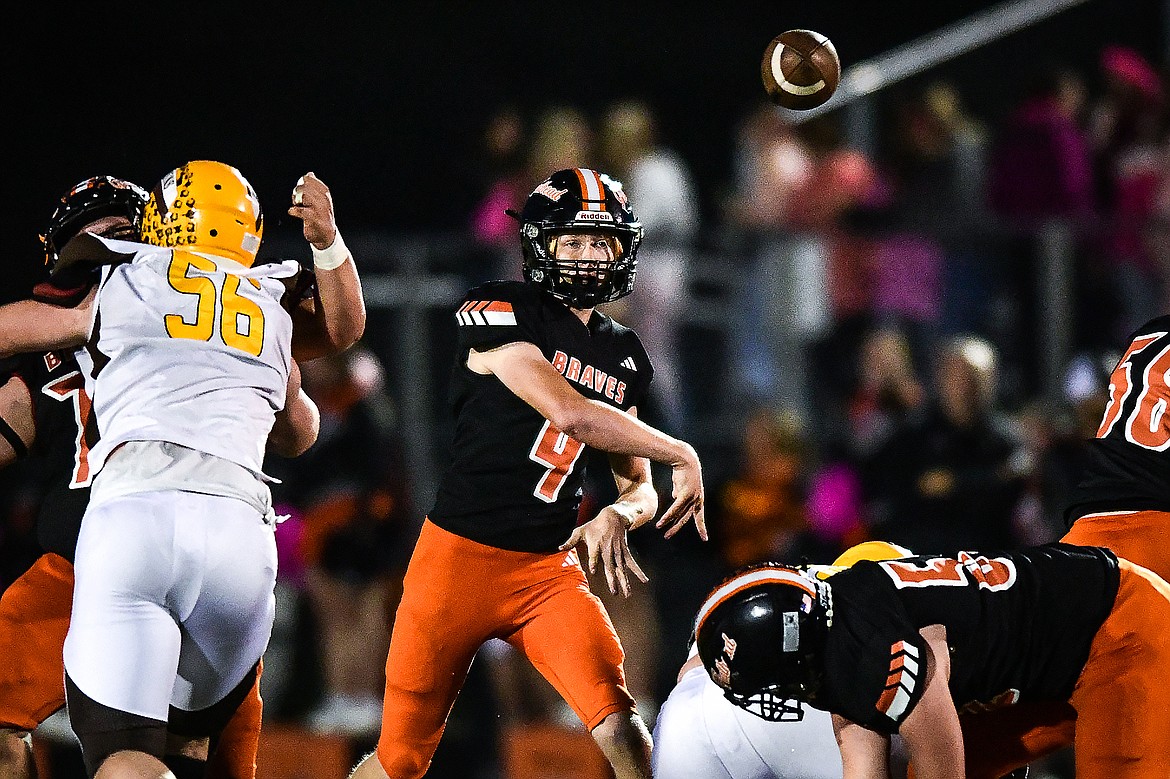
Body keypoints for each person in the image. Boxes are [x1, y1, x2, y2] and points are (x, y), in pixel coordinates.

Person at [0, 160, 364, 779]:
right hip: (241, 536)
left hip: (113, 532)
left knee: (116, 755)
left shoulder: (112, 282)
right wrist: (327, 245)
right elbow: (308, 415)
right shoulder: (267, 297)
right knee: (200, 757)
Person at [349, 167, 706, 779]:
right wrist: (685, 452)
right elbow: (570, 412)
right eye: (573, 240)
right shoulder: (499, 308)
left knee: (620, 722)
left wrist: (619, 514)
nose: (589, 256)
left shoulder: (625, 353)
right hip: (455, 560)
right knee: (401, 760)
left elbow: (637, 485)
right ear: (541, 243)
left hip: (546, 569)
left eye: (602, 242)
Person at [693, 543, 1170, 778]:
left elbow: (937, 725)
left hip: (1117, 632)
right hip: (1044, 669)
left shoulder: (864, 646)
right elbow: (861, 742)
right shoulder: (834, 632)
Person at [651, 541, 912, 779]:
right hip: (806, 728)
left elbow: (691, 668)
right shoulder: (882, 630)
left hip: (686, 720)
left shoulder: (792, 585)